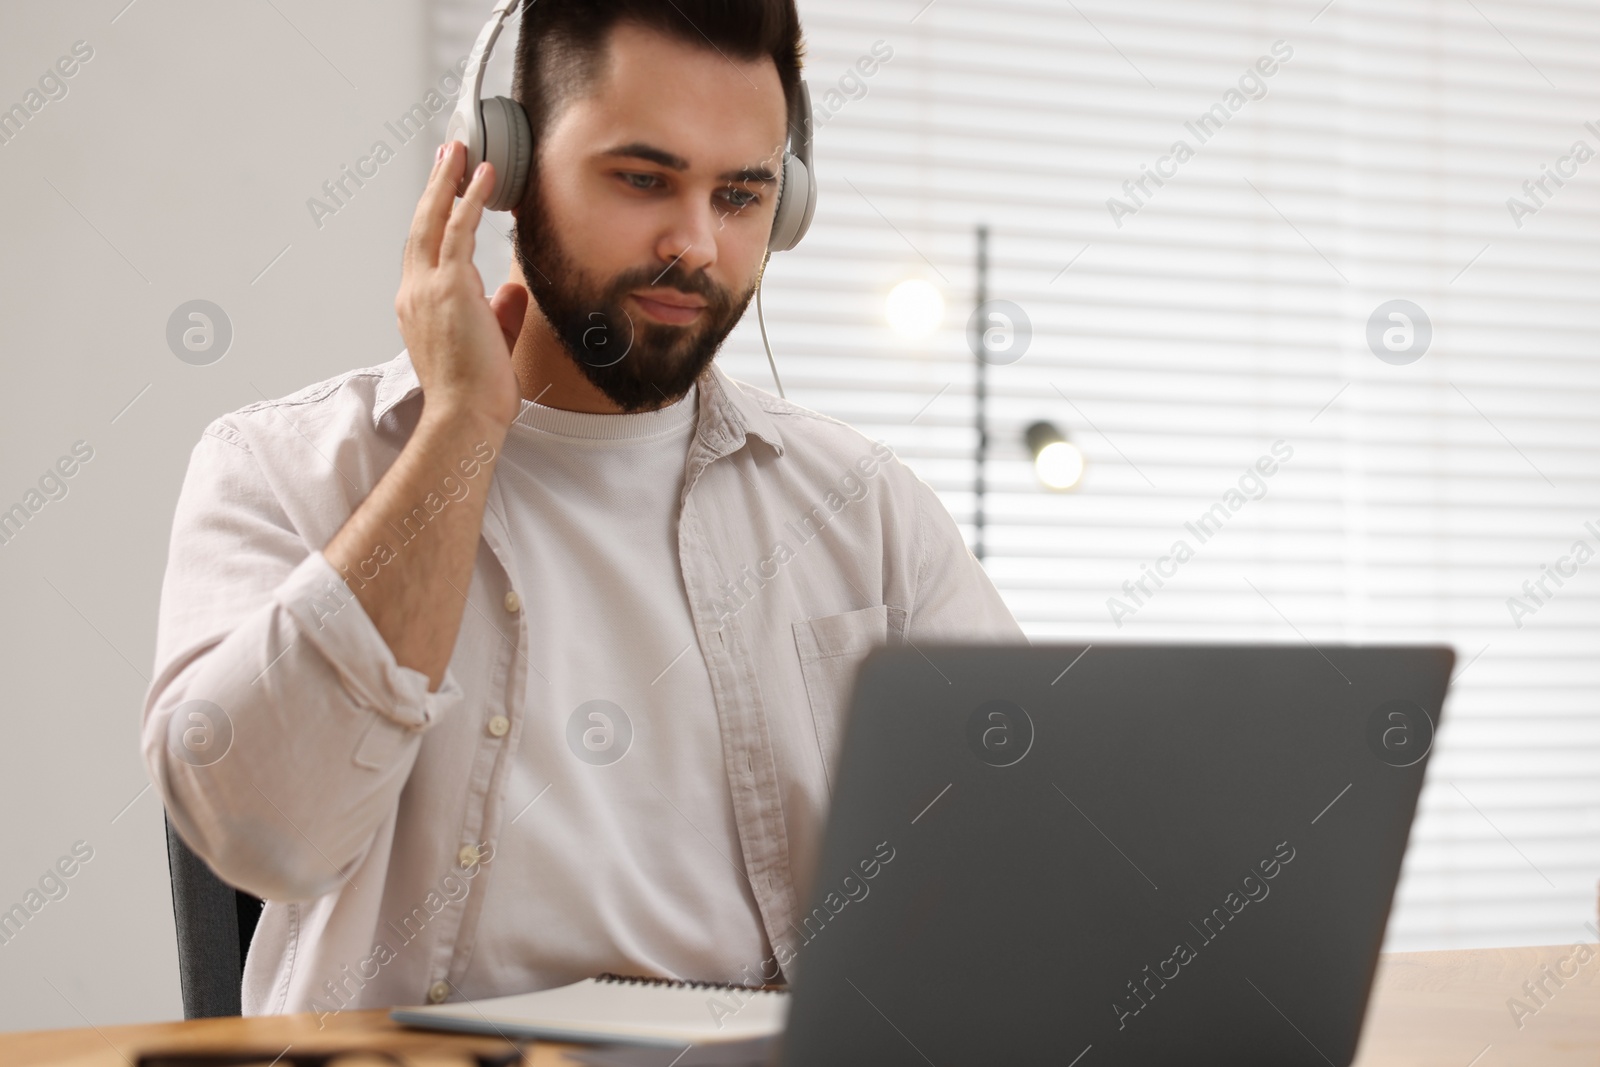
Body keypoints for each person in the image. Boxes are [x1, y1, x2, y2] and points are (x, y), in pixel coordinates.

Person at [141, 0, 1023, 1018]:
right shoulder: (284, 465)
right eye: (643, 178)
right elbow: (263, 831)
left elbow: (1032, 849)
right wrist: (460, 428)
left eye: (741, 195)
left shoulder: (863, 511)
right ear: (500, 171)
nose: (695, 244)